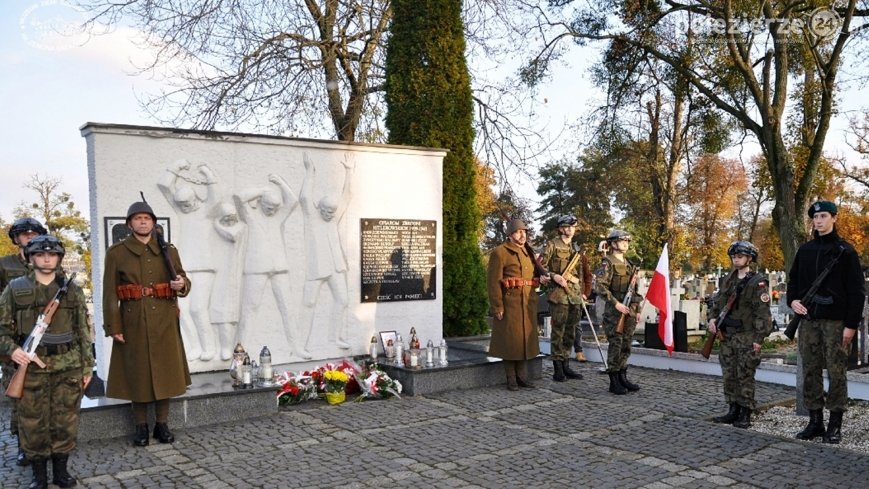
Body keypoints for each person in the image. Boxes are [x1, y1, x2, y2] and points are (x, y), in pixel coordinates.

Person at [0, 235, 94, 489]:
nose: (46, 258)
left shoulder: (70, 290)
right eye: (40, 254)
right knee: (32, 423)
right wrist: (13, 350)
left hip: (67, 366)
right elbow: (1, 330)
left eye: (51, 254)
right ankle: (39, 477)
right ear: (31, 258)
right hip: (30, 368)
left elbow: (83, 332)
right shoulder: (15, 288)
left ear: (59, 258)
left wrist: (87, 367)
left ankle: (61, 473)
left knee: (65, 421)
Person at [103, 199, 192, 447]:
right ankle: (141, 426)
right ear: (130, 224)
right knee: (138, 373)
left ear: (153, 223)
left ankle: (161, 425)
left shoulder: (168, 250)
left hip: (164, 318)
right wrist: (114, 326)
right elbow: (109, 293)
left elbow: (183, 280)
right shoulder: (117, 253)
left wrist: (181, 284)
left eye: (147, 218)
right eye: (138, 218)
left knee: (166, 372)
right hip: (133, 321)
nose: (143, 222)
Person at [787, 200, 865, 444]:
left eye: (823, 216)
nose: (818, 221)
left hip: (836, 323)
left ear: (833, 218)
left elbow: (856, 292)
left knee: (836, 372)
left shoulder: (846, 251)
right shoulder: (806, 250)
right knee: (810, 370)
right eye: (815, 217)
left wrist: (851, 325)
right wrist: (793, 302)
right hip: (809, 321)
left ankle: (835, 424)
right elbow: (794, 281)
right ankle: (815, 421)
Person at [707, 241, 773, 429]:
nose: (736, 259)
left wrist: (759, 339)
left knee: (745, 374)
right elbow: (718, 302)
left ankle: (745, 411)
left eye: (740, 256)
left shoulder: (757, 282)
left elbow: (762, 313)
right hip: (727, 335)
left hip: (746, 336)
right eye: (734, 256)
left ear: (749, 258)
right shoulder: (729, 278)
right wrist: (712, 319)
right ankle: (733, 408)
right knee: (729, 373)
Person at [1, 216, 48, 467]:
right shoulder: (4, 265)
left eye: (33, 234)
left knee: (45, 396)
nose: (29, 237)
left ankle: (46, 443)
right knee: (19, 398)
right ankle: (23, 446)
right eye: (24, 234)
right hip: (16, 341)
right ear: (16, 238)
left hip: (44, 340)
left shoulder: (48, 262)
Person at [299, 153, 355, 357]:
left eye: (333, 211)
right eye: (327, 211)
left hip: (335, 266)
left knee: (342, 300)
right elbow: (304, 197)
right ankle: (300, 344)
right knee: (309, 303)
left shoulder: (332, 218)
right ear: (319, 208)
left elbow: (347, 196)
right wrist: (310, 172)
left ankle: (335, 336)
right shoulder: (312, 216)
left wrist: (349, 171)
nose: (330, 214)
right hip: (317, 268)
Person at [486, 218, 550, 391]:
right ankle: (511, 378)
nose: (523, 235)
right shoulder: (500, 252)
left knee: (524, 341)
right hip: (510, 303)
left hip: (527, 302)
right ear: (510, 234)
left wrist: (541, 279)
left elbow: (532, 276)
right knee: (510, 342)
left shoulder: (528, 253)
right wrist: (497, 306)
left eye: (525, 232)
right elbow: (493, 282)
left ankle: (522, 377)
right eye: (519, 231)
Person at [595, 229, 643, 395]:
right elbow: (600, 286)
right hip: (614, 313)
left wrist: (637, 310)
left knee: (626, 345)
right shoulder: (606, 263)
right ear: (613, 243)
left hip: (629, 311)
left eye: (627, 241)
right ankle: (613, 380)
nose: (626, 244)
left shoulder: (629, 264)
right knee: (616, 345)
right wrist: (615, 304)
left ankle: (623, 376)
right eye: (622, 241)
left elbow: (634, 290)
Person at [540, 215, 587, 381]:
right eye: (567, 227)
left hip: (573, 293)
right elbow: (541, 267)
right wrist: (554, 276)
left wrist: (582, 290)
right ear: (560, 229)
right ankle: (557, 368)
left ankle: (566, 365)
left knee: (571, 331)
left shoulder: (576, 247)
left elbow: (580, 272)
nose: (570, 230)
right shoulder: (552, 244)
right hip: (559, 293)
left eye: (572, 227)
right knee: (558, 330)